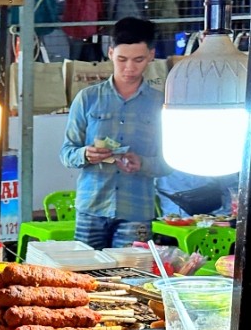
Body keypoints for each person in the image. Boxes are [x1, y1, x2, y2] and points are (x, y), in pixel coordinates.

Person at [59, 17, 171, 249]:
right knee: (87, 275)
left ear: (151, 55)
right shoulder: (88, 98)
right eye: (122, 59)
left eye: (138, 60)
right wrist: (85, 154)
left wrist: (142, 163)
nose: (129, 67)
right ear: (110, 53)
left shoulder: (161, 103)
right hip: (91, 206)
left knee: (130, 277)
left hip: (137, 209)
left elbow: (168, 163)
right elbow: (66, 153)